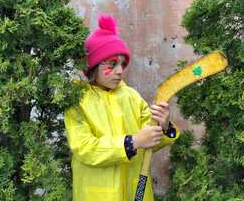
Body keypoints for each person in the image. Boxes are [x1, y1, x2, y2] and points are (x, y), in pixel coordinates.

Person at [64, 15, 179, 201]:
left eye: (122, 64)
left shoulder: (132, 97)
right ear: (93, 65)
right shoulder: (78, 102)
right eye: (112, 64)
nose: (120, 71)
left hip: (136, 192)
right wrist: (132, 142)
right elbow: (84, 148)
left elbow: (150, 140)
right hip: (96, 193)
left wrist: (164, 125)